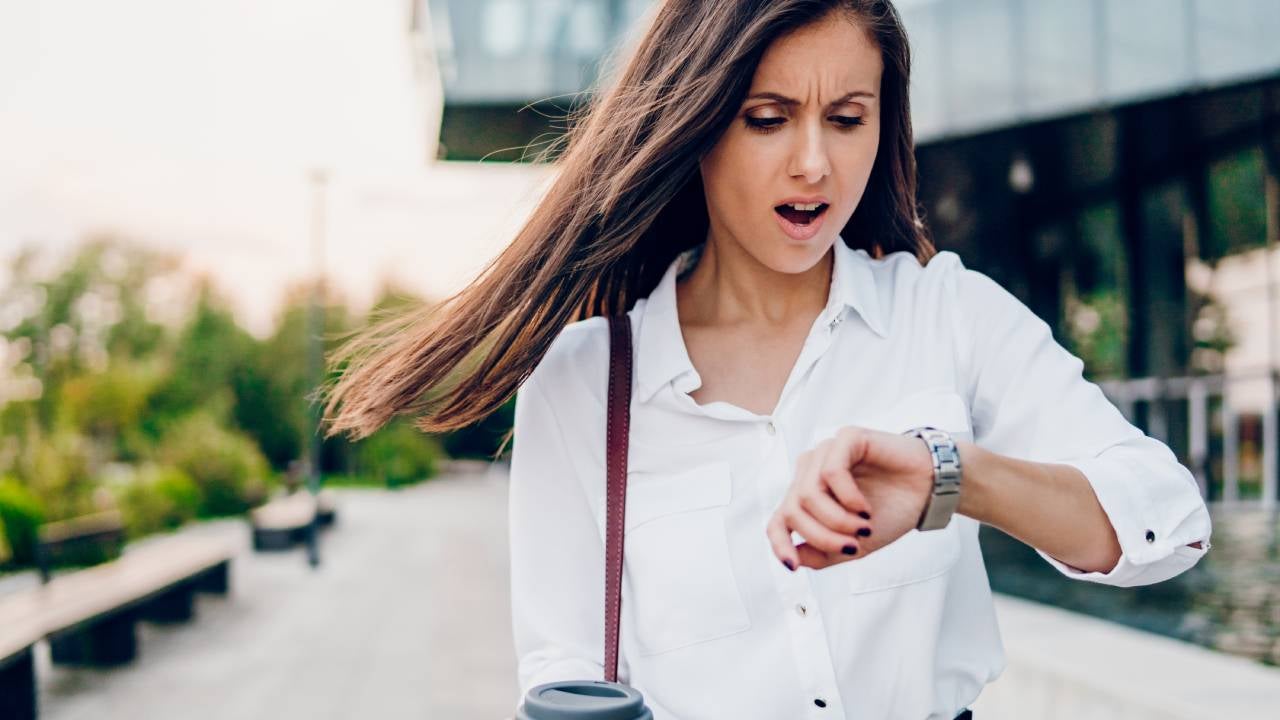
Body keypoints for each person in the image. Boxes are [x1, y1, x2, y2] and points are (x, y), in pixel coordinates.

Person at [322, 1, 1212, 718]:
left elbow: (1167, 523)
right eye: (768, 119)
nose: (814, 163)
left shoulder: (947, 314)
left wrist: (950, 476)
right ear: (698, 123)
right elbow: (563, 676)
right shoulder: (585, 382)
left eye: (848, 119)